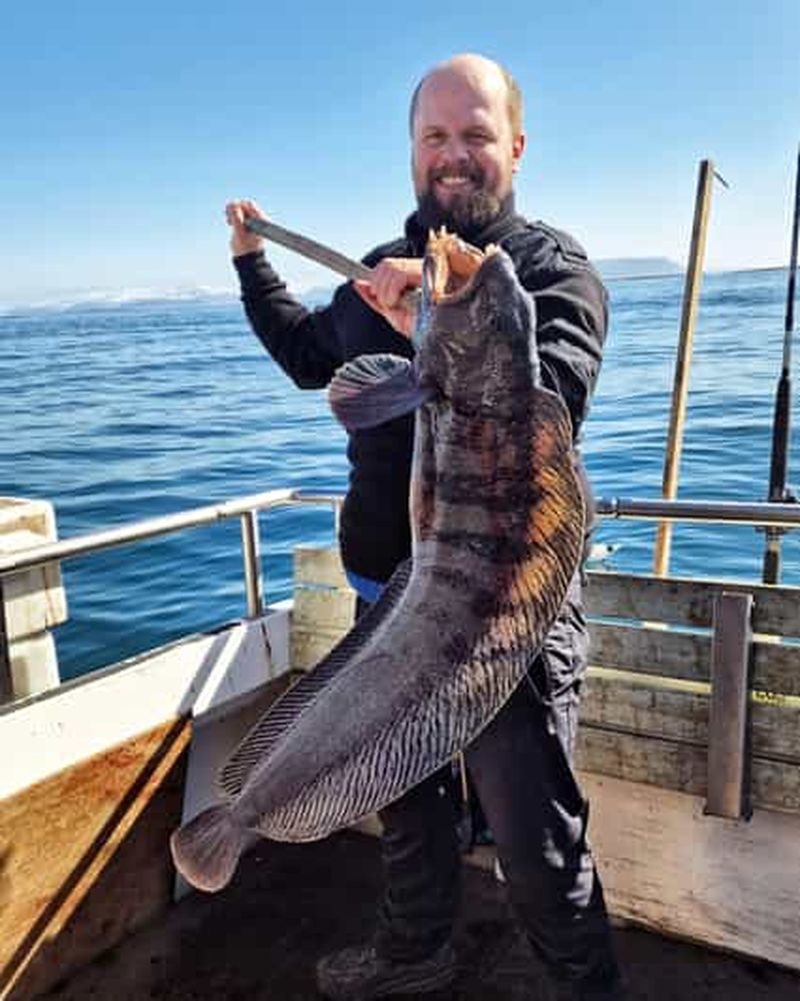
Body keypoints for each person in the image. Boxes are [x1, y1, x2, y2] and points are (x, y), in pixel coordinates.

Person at [226, 53, 625, 1001]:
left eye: (476, 135)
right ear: (412, 151)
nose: (455, 155)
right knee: (404, 808)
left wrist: (444, 330)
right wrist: (252, 265)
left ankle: (588, 988)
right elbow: (303, 356)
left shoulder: (543, 274)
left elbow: (552, 395)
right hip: (384, 601)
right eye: (435, 137)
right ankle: (414, 955)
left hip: (501, 620)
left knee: (536, 840)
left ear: (515, 147)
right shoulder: (378, 279)